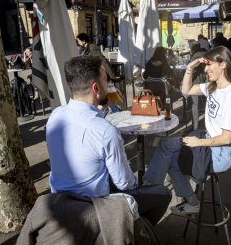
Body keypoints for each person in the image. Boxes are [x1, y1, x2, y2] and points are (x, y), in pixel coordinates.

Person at [46, 55, 171, 225]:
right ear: (96, 88)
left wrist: (100, 110)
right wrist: (138, 182)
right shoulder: (105, 131)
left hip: (60, 200)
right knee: (162, 194)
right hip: (94, 206)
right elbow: (124, 183)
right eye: (106, 80)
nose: (109, 85)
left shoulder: (55, 116)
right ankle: (133, 233)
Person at [143, 46, 231, 215]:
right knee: (169, 154)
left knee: (167, 149)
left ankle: (150, 192)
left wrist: (198, 142)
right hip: (210, 141)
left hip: (222, 152)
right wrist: (189, 68)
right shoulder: (214, 86)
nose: (205, 69)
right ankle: (178, 198)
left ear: (223, 65)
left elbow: (226, 138)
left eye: (209, 65)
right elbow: (186, 91)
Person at [188, 42, 207, 131]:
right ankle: (208, 125)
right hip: (207, 81)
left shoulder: (196, 56)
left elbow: (193, 71)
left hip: (197, 82)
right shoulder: (205, 53)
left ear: (193, 49)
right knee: (207, 104)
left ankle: (195, 127)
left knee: (194, 104)